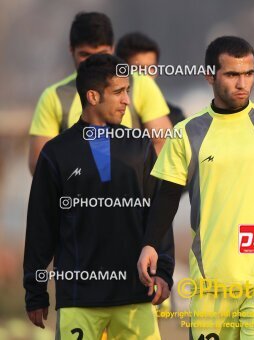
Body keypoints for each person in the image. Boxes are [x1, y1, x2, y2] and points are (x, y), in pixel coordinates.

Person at [137, 36, 254, 340]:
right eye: (232, 74)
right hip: (211, 278)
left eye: (248, 73)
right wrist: (150, 244)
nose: (243, 83)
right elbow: (168, 196)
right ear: (210, 76)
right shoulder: (187, 133)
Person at [23, 54, 173, 339]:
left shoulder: (139, 147)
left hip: (136, 297)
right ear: (92, 96)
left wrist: (163, 271)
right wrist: (35, 291)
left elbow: (157, 213)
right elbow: (41, 226)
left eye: (127, 91)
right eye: (118, 92)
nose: (127, 100)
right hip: (79, 300)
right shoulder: (55, 154)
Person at [28, 12, 171, 175]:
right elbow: (40, 163)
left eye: (102, 54)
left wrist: (138, 185)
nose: (93, 61)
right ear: (71, 50)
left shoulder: (140, 84)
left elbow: (163, 141)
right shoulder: (54, 96)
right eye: (85, 54)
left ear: (113, 48)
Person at [115, 31, 186, 127]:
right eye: (138, 70)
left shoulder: (174, 116)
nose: (144, 77)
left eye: (151, 68)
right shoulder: (109, 113)